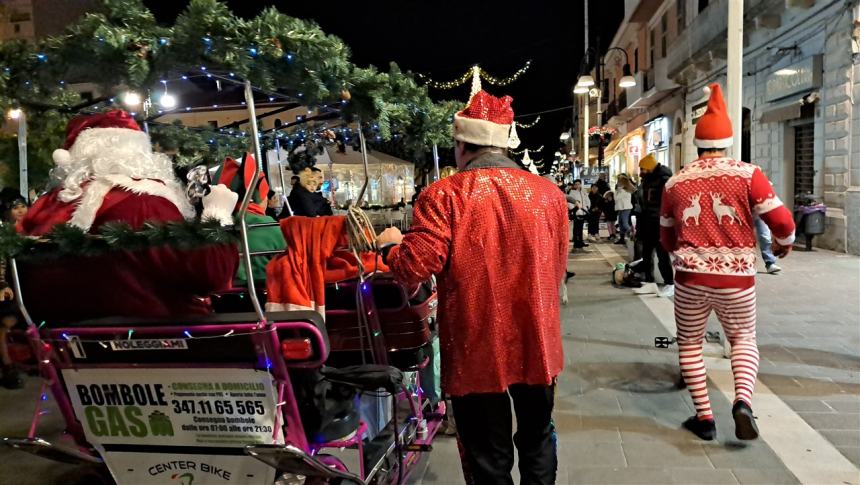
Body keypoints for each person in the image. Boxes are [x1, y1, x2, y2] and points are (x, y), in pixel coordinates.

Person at [376, 90, 567, 485]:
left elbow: (413, 267)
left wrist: (390, 247)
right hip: (538, 341)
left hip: (477, 344)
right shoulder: (550, 195)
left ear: (462, 145)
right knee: (537, 438)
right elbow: (558, 266)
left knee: (487, 455)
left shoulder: (444, 196)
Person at [660, 83, 795, 442]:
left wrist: (682, 257)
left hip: (690, 278)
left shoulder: (676, 181)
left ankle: (704, 419)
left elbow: (666, 235)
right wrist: (784, 244)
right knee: (743, 339)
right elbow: (782, 222)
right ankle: (743, 404)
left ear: (697, 144)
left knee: (689, 343)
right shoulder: (748, 174)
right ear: (728, 141)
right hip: (736, 281)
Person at [17, 110, 238, 322]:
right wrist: (217, 217)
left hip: (57, 342)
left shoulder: (44, 207)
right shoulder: (141, 202)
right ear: (140, 155)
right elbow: (208, 275)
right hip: (153, 337)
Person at [631, 153, 674, 297]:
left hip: (658, 222)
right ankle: (649, 282)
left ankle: (669, 283)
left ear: (649, 168)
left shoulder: (664, 179)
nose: (641, 172)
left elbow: (668, 201)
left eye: (643, 169)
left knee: (662, 254)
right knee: (647, 253)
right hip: (647, 220)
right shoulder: (647, 180)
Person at [566, 179, 589, 249]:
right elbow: (569, 202)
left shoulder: (583, 192)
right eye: (576, 184)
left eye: (578, 184)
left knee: (581, 228)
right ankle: (576, 242)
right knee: (576, 228)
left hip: (583, 212)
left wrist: (587, 207)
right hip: (577, 212)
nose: (577, 185)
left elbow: (587, 200)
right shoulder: (572, 192)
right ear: (574, 185)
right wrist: (573, 209)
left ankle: (581, 241)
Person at [614, 174, 635, 245]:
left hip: (625, 208)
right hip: (621, 208)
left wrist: (616, 191)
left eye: (619, 180)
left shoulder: (624, 190)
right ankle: (622, 239)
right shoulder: (622, 189)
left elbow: (616, 198)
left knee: (625, 223)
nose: (618, 182)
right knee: (620, 223)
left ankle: (634, 234)